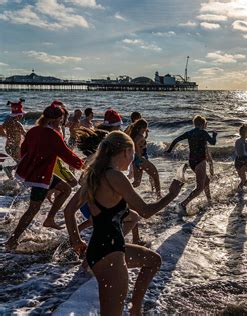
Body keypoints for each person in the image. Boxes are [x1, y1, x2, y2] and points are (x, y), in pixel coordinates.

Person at [65, 131, 183, 315]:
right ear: (126, 152)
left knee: (153, 260)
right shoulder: (116, 177)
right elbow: (145, 211)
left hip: (100, 250)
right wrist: (172, 195)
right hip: (110, 255)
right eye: (133, 153)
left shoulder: (93, 175)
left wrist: (76, 241)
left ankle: (135, 308)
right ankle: (135, 309)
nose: (133, 160)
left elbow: (68, 211)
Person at [5, 101, 84, 250]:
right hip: (40, 177)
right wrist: (83, 166)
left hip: (38, 172)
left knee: (66, 189)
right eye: (60, 120)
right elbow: (67, 154)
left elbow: (24, 149)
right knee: (33, 209)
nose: (61, 122)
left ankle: (50, 218)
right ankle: (12, 240)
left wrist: (30, 162)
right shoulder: (53, 134)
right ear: (55, 120)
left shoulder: (34, 130)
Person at [166, 115, 217, 210]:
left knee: (206, 181)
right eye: (205, 124)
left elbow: (176, 140)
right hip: (200, 161)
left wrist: (169, 150)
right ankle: (183, 204)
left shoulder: (189, 133)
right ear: (203, 124)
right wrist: (214, 135)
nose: (206, 125)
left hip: (192, 162)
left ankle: (209, 201)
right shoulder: (203, 132)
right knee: (199, 188)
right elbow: (213, 142)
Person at [127, 118, 161, 197]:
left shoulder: (135, 135)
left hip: (136, 160)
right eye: (145, 128)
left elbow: (140, 142)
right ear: (142, 128)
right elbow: (136, 144)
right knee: (155, 175)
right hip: (140, 159)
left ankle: (122, 191)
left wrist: (146, 135)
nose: (146, 129)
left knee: (137, 182)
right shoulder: (139, 137)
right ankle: (159, 196)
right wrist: (139, 157)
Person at [2, 99, 27, 178]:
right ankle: (9, 169)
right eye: (21, 114)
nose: (22, 116)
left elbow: (1, 128)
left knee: (20, 163)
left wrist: (6, 136)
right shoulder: (18, 124)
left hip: (8, 147)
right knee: (23, 163)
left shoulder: (7, 121)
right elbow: (26, 135)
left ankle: (13, 178)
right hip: (15, 147)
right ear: (18, 115)